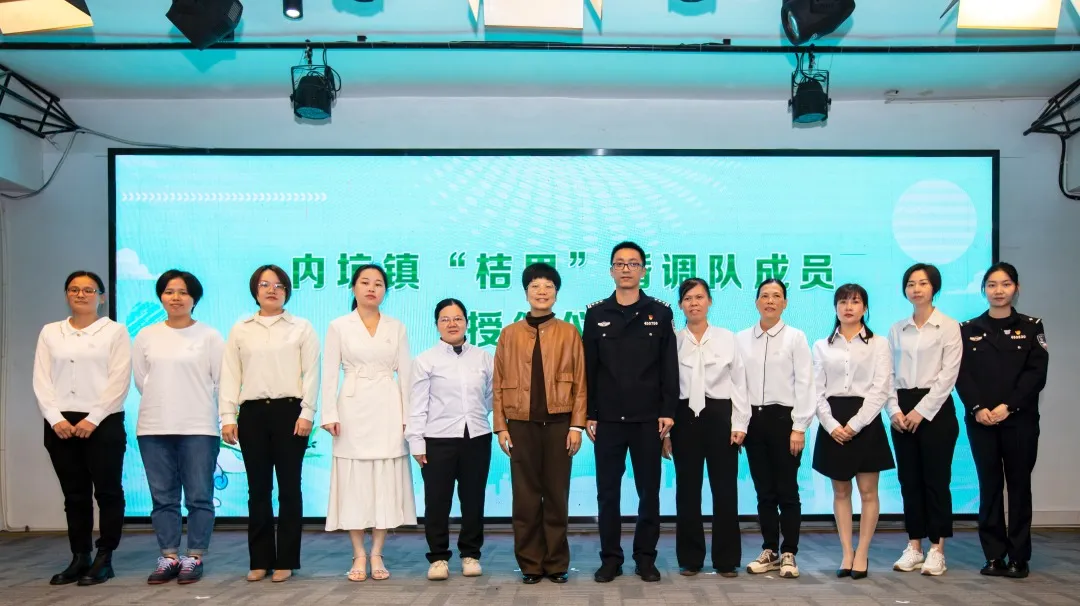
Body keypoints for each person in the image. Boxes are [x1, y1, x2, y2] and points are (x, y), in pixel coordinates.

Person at [583, 241, 679, 584]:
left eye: (633, 263)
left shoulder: (660, 312)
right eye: (620, 263)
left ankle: (645, 558)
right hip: (608, 419)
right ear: (611, 270)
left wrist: (668, 411)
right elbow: (589, 369)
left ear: (643, 270)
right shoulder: (596, 313)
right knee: (607, 494)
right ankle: (610, 559)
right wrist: (589, 413)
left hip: (647, 419)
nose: (626, 269)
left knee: (648, 493)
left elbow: (669, 367)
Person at [220, 264, 319, 583]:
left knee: (290, 488)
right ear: (255, 290)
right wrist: (227, 416)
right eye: (265, 284)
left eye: (278, 285)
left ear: (287, 291)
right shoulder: (241, 328)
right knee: (258, 489)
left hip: (290, 413)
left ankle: (286, 560)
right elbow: (230, 374)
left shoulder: (301, 327)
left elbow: (312, 373)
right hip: (251, 414)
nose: (272, 290)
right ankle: (260, 559)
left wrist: (307, 413)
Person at [33, 270, 131, 586]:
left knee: (108, 491)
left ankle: (105, 557)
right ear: (66, 295)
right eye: (74, 289)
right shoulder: (51, 332)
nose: (81, 294)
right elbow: (41, 378)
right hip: (60, 424)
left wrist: (94, 418)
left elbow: (119, 379)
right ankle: (80, 556)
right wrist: (54, 418)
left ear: (101, 297)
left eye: (89, 290)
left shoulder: (114, 332)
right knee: (74, 495)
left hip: (103, 421)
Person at [492, 263, 587, 584]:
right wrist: (501, 426)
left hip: (560, 425)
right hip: (520, 425)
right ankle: (531, 565)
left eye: (548, 286)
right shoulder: (509, 334)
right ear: (526, 293)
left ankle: (557, 563)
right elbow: (497, 383)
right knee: (525, 499)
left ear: (556, 294)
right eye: (535, 286)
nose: (542, 292)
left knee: (557, 497)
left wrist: (576, 426)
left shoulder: (569, 332)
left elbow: (581, 383)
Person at [321, 264, 416, 582]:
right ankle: (358, 553)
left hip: (388, 407)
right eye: (365, 282)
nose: (371, 288)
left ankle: (376, 552)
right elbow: (329, 373)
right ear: (354, 288)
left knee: (383, 481)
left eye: (378, 283)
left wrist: (409, 418)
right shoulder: (339, 326)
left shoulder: (396, 327)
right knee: (354, 481)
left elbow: (406, 375)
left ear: (385, 291)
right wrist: (329, 414)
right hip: (351, 408)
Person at [955, 262, 1047, 579]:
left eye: (1005, 284)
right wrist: (978, 407)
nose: (998, 290)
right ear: (984, 290)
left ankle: (1019, 557)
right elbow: (961, 374)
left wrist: (1008, 406)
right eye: (992, 285)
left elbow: (1036, 375)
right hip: (981, 421)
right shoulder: (968, 329)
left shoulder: (1032, 327)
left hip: (1019, 420)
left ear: (1016, 289)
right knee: (990, 486)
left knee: (1019, 487)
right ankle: (994, 555)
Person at [133, 270, 225, 585]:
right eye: (169, 291)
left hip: (198, 427)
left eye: (183, 292)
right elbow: (142, 380)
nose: (176, 297)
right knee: (163, 497)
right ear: (161, 296)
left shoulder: (209, 336)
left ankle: (194, 556)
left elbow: (220, 382)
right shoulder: (146, 335)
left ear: (194, 298)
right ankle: (169, 556)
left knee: (199, 496)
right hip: (154, 427)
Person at [661, 278, 748, 578]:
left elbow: (740, 383)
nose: (694, 303)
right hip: (683, 418)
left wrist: (740, 423)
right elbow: (666, 387)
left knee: (725, 490)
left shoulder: (727, 338)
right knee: (687, 490)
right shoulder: (672, 340)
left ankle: (726, 559)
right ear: (680, 305)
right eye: (687, 298)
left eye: (699, 297)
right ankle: (690, 558)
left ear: (709, 301)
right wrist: (666, 433)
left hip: (720, 416)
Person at [811, 283, 894, 580]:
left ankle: (863, 552)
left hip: (866, 420)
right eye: (843, 302)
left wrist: (856, 424)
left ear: (865, 308)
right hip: (833, 420)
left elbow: (881, 388)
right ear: (835, 307)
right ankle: (847, 551)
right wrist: (832, 425)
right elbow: (815, 391)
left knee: (868, 492)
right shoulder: (821, 345)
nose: (848, 307)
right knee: (841, 491)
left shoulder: (879, 344)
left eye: (855, 302)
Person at [407, 298, 493, 581]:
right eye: (445, 319)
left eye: (457, 318)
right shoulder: (425, 360)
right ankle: (438, 558)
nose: (452, 324)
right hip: (438, 439)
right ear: (437, 325)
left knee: (473, 500)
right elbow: (417, 405)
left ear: (467, 322)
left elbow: (491, 396)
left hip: (476, 437)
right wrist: (416, 442)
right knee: (437, 501)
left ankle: (471, 554)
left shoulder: (483, 357)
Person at [885, 263, 962, 577]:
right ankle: (914, 546)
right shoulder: (897, 329)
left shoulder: (948, 326)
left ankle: (937, 549)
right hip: (902, 408)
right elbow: (887, 374)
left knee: (936, 481)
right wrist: (894, 410)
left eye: (923, 283)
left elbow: (948, 375)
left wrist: (921, 411)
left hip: (936, 408)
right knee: (909, 481)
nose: (916, 289)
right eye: (910, 284)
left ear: (934, 288)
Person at [735, 278, 814, 579]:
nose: (770, 301)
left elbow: (806, 383)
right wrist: (739, 423)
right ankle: (769, 549)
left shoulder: (796, 337)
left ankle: (789, 551)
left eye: (776, 296)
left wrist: (799, 427)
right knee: (764, 491)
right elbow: (738, 385)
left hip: (785, 421)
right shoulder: (742, 339)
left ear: (785, 303)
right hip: (753, 421)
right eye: (765, 296)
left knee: (787, 490)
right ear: (756, 302)